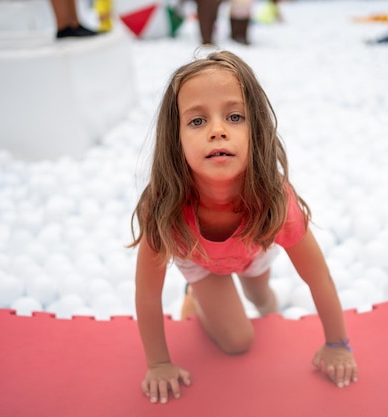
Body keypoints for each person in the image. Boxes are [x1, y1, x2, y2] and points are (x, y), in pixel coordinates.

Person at [130, 50, 358, 405]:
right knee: (239, 342)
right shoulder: (164, 206)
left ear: (257, 130)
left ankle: (251, 297)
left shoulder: (275, 200)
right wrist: (158, 363)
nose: (218, 131)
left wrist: (337, 345)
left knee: (264, 300)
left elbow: (318, 278)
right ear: (175, 140)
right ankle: (197, 297)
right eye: (196, 121)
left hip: (253, 251)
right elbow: (147, 294)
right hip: (201, 261)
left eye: (234, 117)